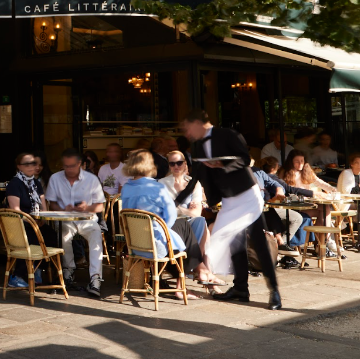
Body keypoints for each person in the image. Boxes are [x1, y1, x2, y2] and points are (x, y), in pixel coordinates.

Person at [178, 110, 281, 310]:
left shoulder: (227, 134)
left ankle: (274, 291)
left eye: (188, 128)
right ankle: (241, 288)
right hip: (228, 199)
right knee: (234, 244)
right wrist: (175, 201)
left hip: (247, 195)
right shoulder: (197, 145)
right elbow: (196, 178)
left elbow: (245, 159)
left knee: (259, 243)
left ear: (199, 123)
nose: (186, 133)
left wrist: (222, 164)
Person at [120, 150, 207, 290]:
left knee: (184, 229)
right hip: (155, 244)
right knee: (183, 226)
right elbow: (171, 216)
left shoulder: (126, 188)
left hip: (134, 243)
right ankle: (197, 271)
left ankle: (197, 270)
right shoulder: (157, 187)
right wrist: (163, 227)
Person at [43, 148, 104, 297]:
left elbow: (100, 206)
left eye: (72, 166)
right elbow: (52, 204)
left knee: (96, 234)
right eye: (66, 166)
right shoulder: (56, 178)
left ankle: (95, 278)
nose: (68, 169)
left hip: (87, 218)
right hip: (66, 219)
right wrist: (64, 208)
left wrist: (87, 207)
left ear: (80, 164)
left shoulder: (91, 179)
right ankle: (68, 270)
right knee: (63, 234)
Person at [6, 153, 48, 288]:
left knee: (52, 235)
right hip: (20, 224)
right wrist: (32, 221)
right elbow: (16, 211)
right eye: (27, 164)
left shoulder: (36, 183)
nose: (32, 166)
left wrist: (42, 218)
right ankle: (17, 275)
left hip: (35, 222)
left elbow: (43, 207)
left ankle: (36, 268)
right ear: (19, 167)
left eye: (34, 163)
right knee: (29, 237)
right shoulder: (14, 184)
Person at [159, 150, 208, 248]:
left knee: (201, 220)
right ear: (169, 166)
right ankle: (192, 257)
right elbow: (162, 211)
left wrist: (175, 209)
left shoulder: (194, 183)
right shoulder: (161, 183)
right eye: (172, 164)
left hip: (189, 222)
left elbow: (196, 213)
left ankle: (192, 255)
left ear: (185, 163)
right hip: (170, 223)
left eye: (179, 163)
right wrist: (185, 210)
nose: (176, 166)